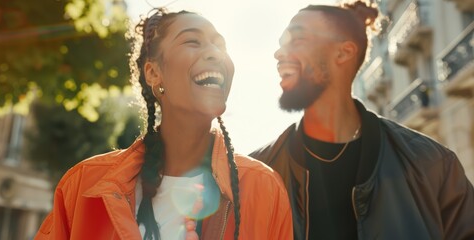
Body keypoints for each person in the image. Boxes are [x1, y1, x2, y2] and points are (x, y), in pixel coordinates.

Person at [35, 8, 293, 240]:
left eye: (220, 45)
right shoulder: (83, 185)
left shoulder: (263, 188)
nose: (215, 53)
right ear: (154, 73)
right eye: (193, 41)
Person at [250, 1, 474, 239]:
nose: (279, 53)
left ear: (343, 52)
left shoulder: (432, 164)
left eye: (298, 39)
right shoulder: (256, 174)